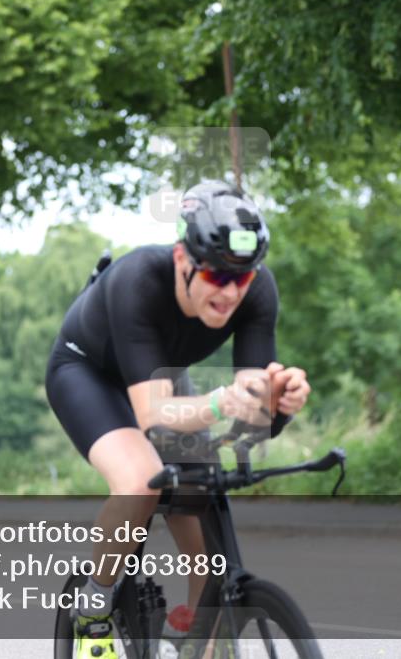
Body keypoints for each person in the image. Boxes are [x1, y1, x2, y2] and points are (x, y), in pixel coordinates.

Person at [45, 180, 311, 659]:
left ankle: (198, 643)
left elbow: (251, 412)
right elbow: (152, 413)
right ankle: (94, 607)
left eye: (242, 278)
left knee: (203, 501)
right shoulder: (139, 280)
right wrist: (222, 402)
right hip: (89, 374)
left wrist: (277, 403)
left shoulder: (257, 290)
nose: (230, 292)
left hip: (164, 377)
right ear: (183, 259)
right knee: (141, 482)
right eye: (216, 277)